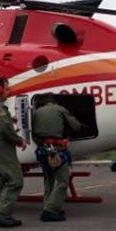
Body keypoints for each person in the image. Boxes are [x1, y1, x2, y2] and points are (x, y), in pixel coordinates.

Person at [31, 93, 82, 222]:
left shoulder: (36, 112)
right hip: (57, 150)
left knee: (49, 180)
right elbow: (76, 126)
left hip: (42, 150)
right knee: (62, 181)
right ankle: (51, 210)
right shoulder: (60, 109)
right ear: (54, 102)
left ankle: (48, 205)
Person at [0, 77, 26, 227]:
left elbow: (2, 123)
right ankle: (2, 213)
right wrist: (19, 140)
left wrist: (9, 118)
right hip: (3, 149)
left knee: (2, 181)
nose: (8, 92)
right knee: (16, 180)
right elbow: (5, 130)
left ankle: (2, 213)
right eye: (7, 89)